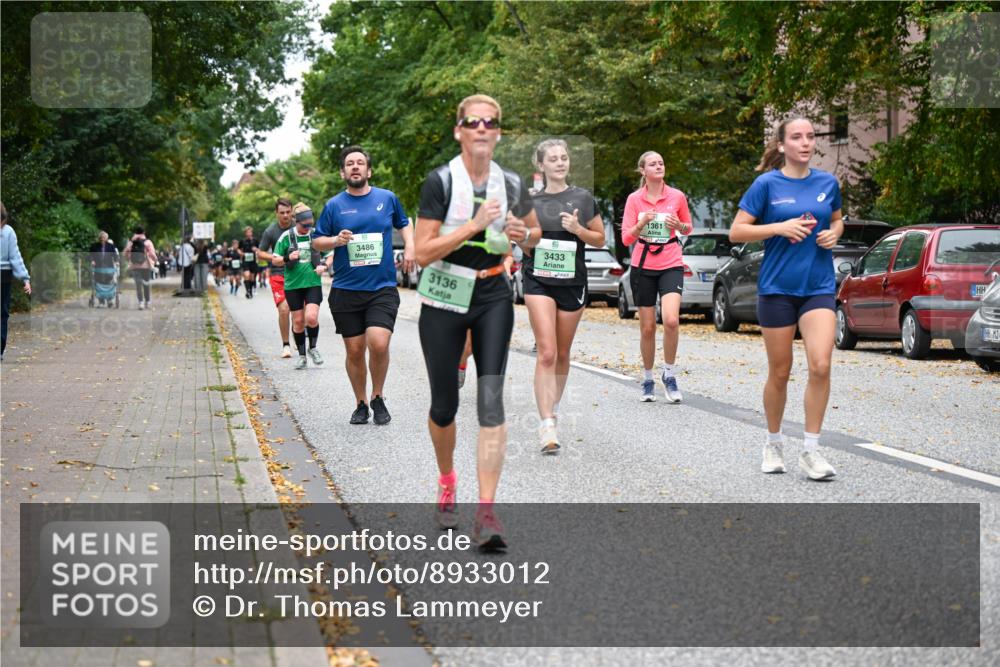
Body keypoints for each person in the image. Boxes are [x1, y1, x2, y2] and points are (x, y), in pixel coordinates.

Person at [414, 94, 540, 550]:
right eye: (473, 121)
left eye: (490, 122)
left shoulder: (510, 180)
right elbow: (421, 252)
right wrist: (472, 225)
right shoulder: (441, 181)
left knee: (491, 401)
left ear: (498, 132)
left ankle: (487, 512)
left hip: (491, 293)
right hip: (444, 294)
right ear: (459, 130)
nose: (482, 128)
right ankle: (447, 481)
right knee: (444, 406)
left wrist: (522, 234)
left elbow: (534, 231)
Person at [730, 116, 842, 481]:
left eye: (810, 136)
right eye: (796, 137)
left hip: (818, 287)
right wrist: (778, 227)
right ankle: (774, 442)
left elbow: (837, 220)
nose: (805, 143)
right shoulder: (767, 184)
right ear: (782, 145)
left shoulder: (828, 183)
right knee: (780, 371)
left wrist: (834, 233)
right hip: (777, 289)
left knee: (821, 365)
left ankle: (811, 451)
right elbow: (737, 231)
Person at [313, 146, 415, 426]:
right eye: (350, 163)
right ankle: (360, 402)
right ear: (343, 172)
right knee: (355, 351)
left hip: (381, 287)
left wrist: (411, 247)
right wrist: (335, 240)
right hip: (346, 288)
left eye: (360, 163)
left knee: (379, 343)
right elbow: (317, 241)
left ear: (369, 171)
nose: (355, 167)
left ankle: (378, 396)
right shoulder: (334, 206)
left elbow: (405, 224)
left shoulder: (387, 198)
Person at [521, 138, 606, 454]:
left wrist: (577, 229)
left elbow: (600, 239)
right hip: (537, 280)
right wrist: (522, 240)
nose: (560, 162)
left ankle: (551, 408)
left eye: (564, 158)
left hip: (572, 282)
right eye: (553, 158)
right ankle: (546, 424)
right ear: (540, 165)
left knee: (563, 353)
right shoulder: (529, 201)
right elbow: (523, 243)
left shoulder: (582, 198)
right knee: (546, 351)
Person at [622, 151, 693, 403]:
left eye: (661, 162)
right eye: (653, 164)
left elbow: (688, 227)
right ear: (643, 171)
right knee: (648, 327)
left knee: (672, 320)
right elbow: (626, 238)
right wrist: (642, 224)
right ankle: (648, 378)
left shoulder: (676, 196)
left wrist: (679, 226)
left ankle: (670, 375)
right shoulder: (634, 200)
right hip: (643, 266)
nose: (659, 166)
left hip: (671, 262)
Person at [271, 203, 330, 369]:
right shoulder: (286, 237)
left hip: (312, 283)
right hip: (293, 286)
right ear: (296, 221)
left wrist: (324, 266)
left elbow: (330, 254)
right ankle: (302, 356)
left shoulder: (315, 235)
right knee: (297, 322)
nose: (307, 228)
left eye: (310, 225)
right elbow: (275, 259)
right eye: (304, 225)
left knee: (311, 318)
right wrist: (287, 258)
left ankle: (313, 348)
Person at [257, 198, 295, 358]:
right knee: (284, 309)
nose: (285, 215)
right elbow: (260, 252)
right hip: (278, 273)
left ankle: (301, 338)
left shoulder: (299, 227)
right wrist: (275, 257)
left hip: (299, 274)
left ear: (292, 211)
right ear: (276, 213)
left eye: (288, 212)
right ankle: (286, 345)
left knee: (301, 313)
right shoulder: (270, 231)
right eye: (282, 213)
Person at [1, 202, 31, 361]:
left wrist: (25, 278)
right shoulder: (8, 231)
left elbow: (15, 257)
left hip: (4, 276)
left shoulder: (8, 232)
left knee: (2, 313)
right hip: (4, 276)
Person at [124, 226, 158, 309]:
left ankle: (141, 303)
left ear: (135, 232)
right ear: (144, 232)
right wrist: (155, 260)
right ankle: (148, 302)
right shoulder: (148, 242)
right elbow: (152, 253)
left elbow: (125, 253)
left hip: (135, 266)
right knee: (146, 284)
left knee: (138, 285)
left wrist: (129, 260)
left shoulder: (131, 242)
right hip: (146, 266)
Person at [89, 231, 119, 307]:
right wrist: (92, 260)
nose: (103, 239)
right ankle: (101, 301)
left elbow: (115, 256)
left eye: (104, 237)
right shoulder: (94, 246)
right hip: (98, 267)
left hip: (109, 267)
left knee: (108, 283)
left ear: (107, 238)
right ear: (99, 238)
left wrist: (116, 262)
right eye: (101, 237)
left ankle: (109, 300)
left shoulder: (111, 246)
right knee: (99, 284)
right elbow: (91, 255)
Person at [238, 226, 260, 299]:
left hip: (253, 261)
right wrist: (241, 253)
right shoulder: (242, 241)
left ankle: (250, 290)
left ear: (252, 233)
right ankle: (247, 291)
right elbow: (238, 249)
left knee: (252, 277)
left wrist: (256, 249)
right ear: (245, 233)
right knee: (246, 275)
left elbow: (260, 249)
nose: (249, 233)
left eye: (250, 232)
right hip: (245, 260)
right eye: (247, 232)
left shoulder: (255, 240)